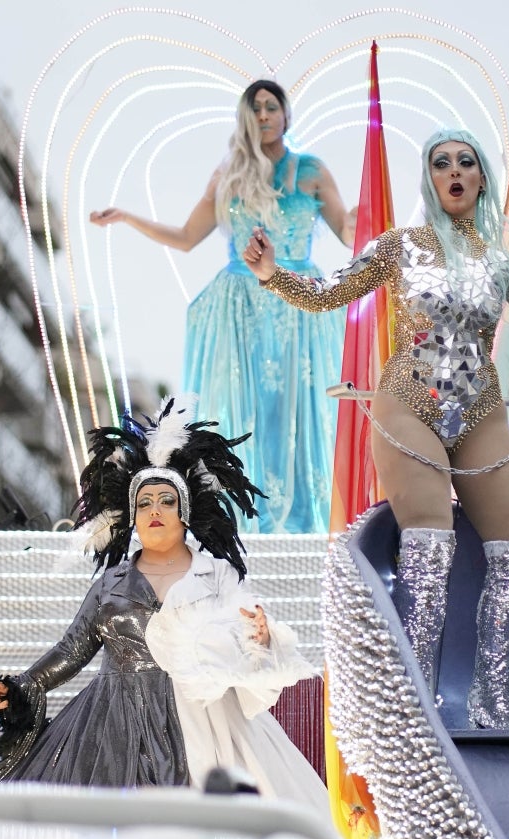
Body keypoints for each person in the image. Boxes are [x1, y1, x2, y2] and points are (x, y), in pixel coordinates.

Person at [243, 127, 509, 729]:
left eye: (465, 162)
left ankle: (490, 702)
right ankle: (417, 708)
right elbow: (330, 294)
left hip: (478, 410)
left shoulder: (503, 263)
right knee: (428, 545)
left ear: (479, 179)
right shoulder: (399, 247)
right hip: (410, 403)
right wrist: (271, 274)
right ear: (429, 176)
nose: (453, 170)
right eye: (440, 161)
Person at [0, 397, 327, 808]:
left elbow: (248, 638)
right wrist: (20, 688)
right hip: (111, 726)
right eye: (144, 502)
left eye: (166, 501)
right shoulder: (112, 583)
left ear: (186, 510)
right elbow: (73, 649)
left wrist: (260, 637)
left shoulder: (216, 575)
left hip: (205, 721)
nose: (154, 510)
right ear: (132, 515)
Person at [90, 80, 357, 534]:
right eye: (255, 108)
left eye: (273, 106)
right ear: (244, 117)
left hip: (297, 301)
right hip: (237, 309)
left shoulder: (311, 170)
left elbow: (350, 232)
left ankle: (305, 520)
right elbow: (185, 237)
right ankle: (241, 518)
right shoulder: (227, 174)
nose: (264, 115)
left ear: (287, 116)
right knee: (243, 408)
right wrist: (129, 218)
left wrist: (376, 206)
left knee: (297, 408)